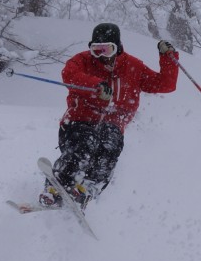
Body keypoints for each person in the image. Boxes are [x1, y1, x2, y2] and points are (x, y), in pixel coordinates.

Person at [39, 22, 179, 210]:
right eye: (96, 50)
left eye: (106, 49)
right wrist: (95, 85)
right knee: (83, 145)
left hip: (114, 123)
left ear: (117, 46)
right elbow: (69, 75)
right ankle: (56, 188)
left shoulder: (133, 67)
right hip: (79, 120)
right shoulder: (82, 61)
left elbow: (164, 84)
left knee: (109, 147)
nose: (101, 55)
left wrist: (168, 58)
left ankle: (87, 188)